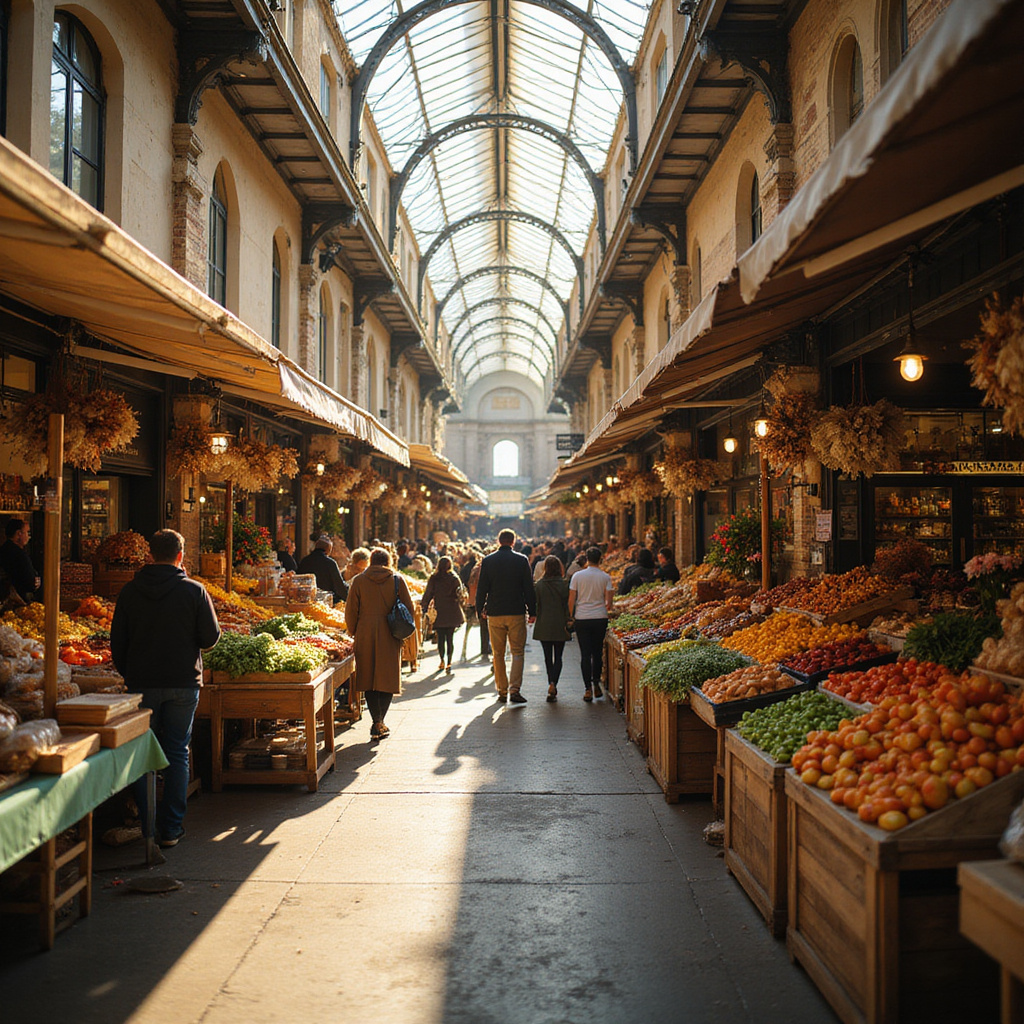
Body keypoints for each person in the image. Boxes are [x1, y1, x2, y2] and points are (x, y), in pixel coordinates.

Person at [110, 529, 221, 848]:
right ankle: (170, 829)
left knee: (143, 755)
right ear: (180, 555)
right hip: (183, 684)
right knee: (176, 753)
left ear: (150, 555)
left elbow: (117, 643)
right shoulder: (195, 591)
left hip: (142, 684)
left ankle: (148, 829)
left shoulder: (130, 592)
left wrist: (131, 672)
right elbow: (210, 639)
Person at [345, 547, 412, 740]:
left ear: (371, 561)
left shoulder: (358, 581)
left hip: (365, 632)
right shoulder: (397, 580)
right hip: (390, 632)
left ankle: (376, 720)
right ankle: (380, 721)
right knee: (387, 677)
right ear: (388, 561)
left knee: (368, 676)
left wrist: (353, 631)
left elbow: (351, 611)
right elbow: (408, 608)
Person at [475, 529, 536, 704]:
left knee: (498, 653)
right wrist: (532, 611)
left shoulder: (488, 561)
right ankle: (514, 690)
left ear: (498, 541)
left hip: (495, 613)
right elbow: (528, 588)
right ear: (513, 541)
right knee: (517, 652)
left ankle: (501, 690)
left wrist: (480, 610)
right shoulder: (521, 560)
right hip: (516, 611)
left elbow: (482, 588)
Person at [568, 546, 613, 702]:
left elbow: (571, 599)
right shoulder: (605, 577)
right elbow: (609, 604)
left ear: (586, 559)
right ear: (600, 559)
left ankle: (587, 688)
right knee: (597, 653)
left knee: (585, 655)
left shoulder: (577, 577)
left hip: (582, 618)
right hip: (600, 617)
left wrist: (570, 616)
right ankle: (596, 683)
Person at [533, 555, 571, 703]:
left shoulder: (539, 585)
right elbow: (567, 605)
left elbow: (537, 606)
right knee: (559, 656)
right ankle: (554, 682)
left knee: (548, 657)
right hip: (560, 623)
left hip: (544, 624)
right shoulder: (564, 584)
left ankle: (551, 683)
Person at [420, 556, 466, 673]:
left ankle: (442, 660)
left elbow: (428, 593)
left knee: (440, 638)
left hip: (439, 610)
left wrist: (424, 607)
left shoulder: (434, 578)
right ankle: (449, 662)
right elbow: (460, 594)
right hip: (452, 611)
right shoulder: (454, 578)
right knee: (450, 638)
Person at [297, 536, 348, 603]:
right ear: (328, 550)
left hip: (305, 600)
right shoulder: (330, 563)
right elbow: (339, 586)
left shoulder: (305, 561)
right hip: (325, 601)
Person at [0, 518, 39, 603]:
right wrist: (35, 582)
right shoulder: (19, 554)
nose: (29, 536)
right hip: (17, 599)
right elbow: (30, 582)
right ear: (19, 534)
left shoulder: (4, 549)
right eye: (27, 532)